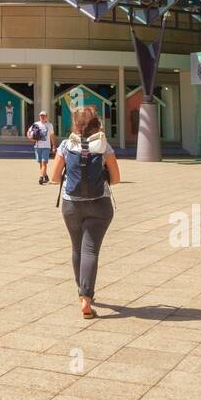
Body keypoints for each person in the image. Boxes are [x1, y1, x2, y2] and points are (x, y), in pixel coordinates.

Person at [50, 107, 121, 319]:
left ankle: (82, 295)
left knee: (77, 248)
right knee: (90, 250)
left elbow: (54, 177)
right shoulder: (103, 145)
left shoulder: (65, 144)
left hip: (71, 205)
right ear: (96, 123)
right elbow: (116, 179)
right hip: (100, 205)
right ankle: (87, 299)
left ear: (75, 124)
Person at [30, 110, 53, 185]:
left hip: (46, 147)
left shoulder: (49, 125)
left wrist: (54, 145)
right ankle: (45, 175)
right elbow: (29, 131)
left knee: (44, 163)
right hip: (37, 146)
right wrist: (30, 137)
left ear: (46, 117)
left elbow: (52, 135)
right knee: (41, 163)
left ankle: (41, 177)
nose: (42, 117)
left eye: (44, 116)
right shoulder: (36, 124)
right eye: (41, 116)